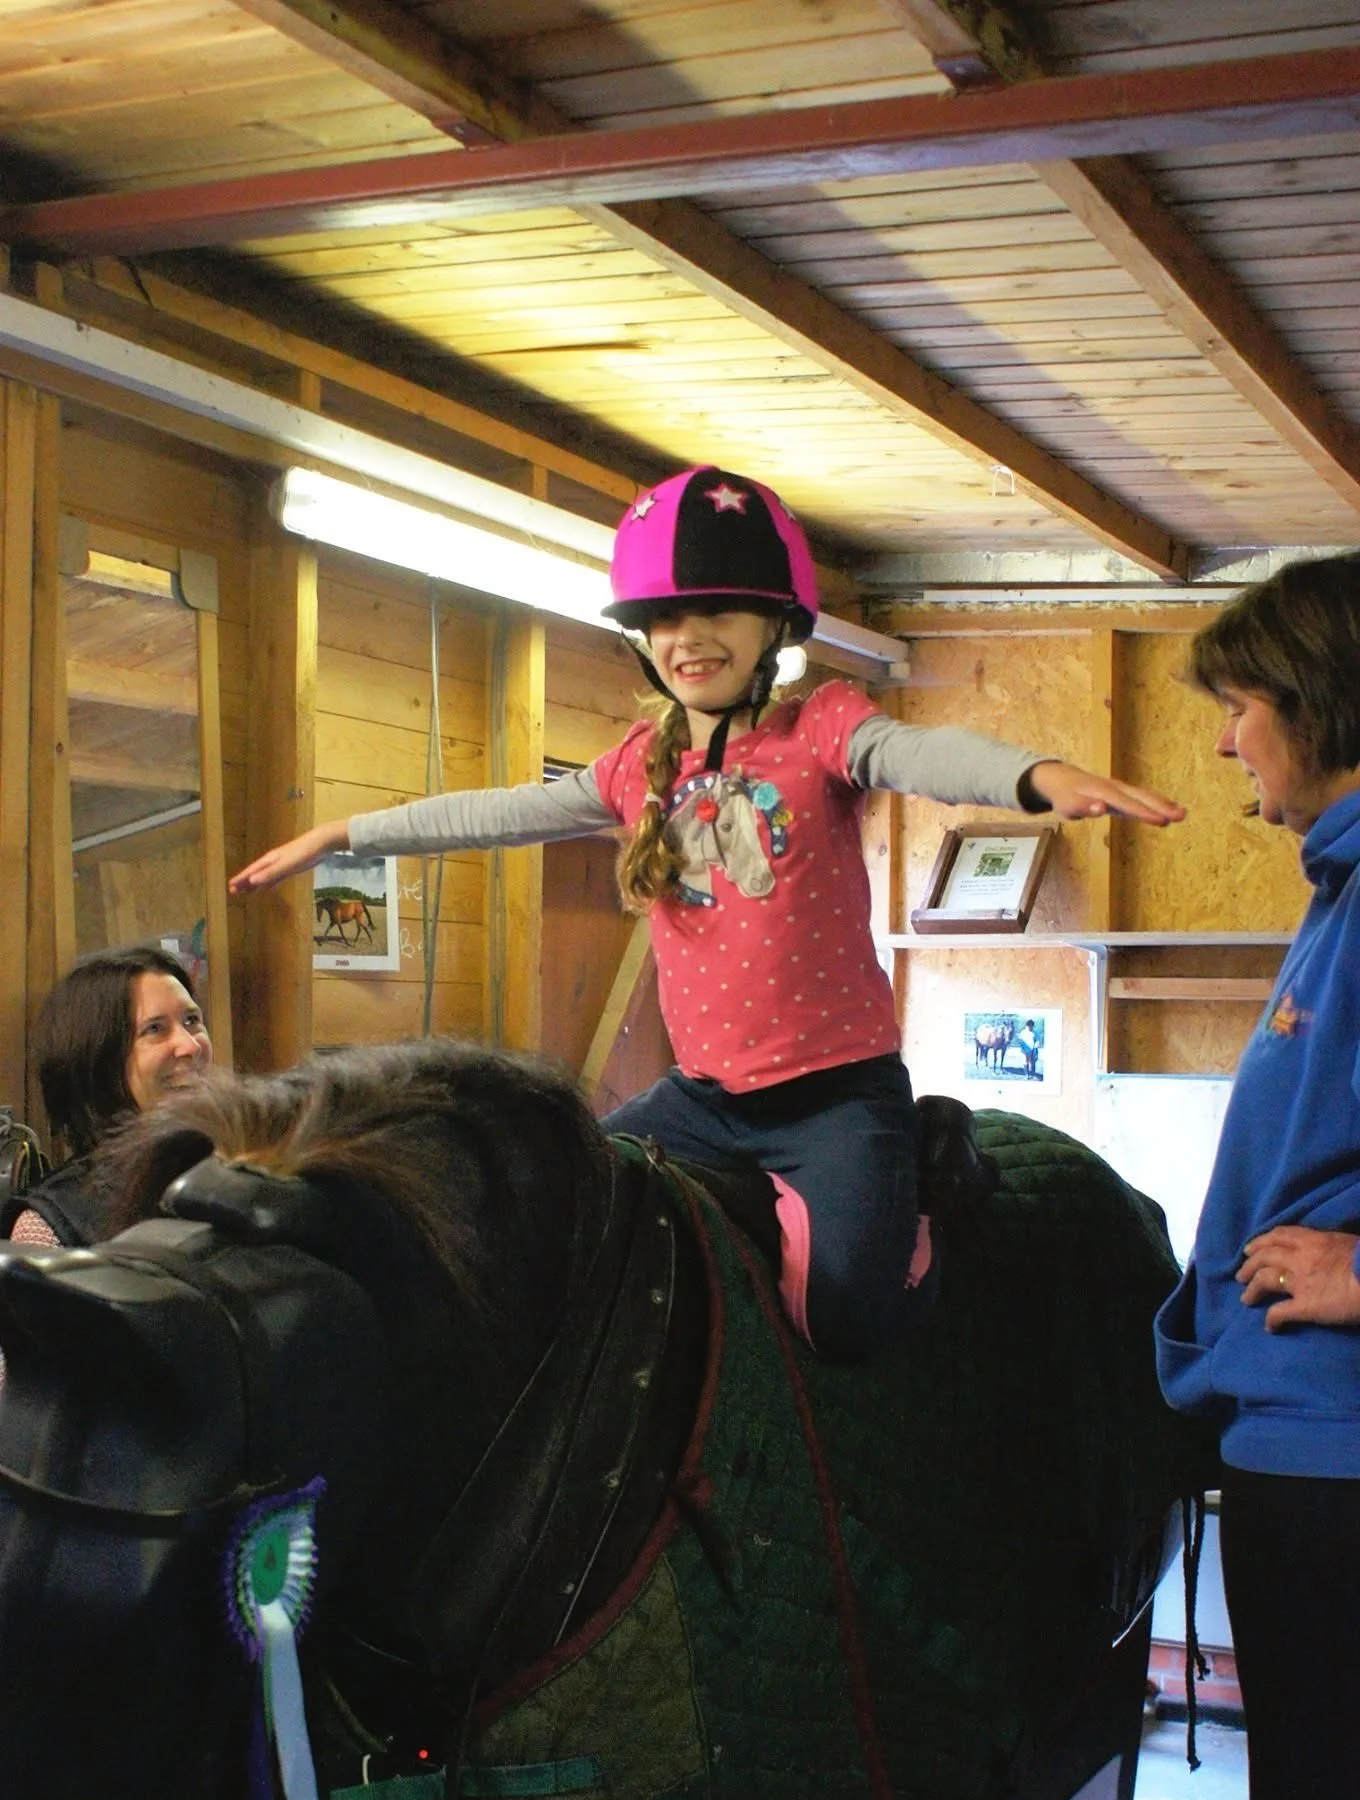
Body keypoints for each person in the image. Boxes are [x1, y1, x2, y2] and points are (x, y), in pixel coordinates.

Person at [231, 465, 1182, 1358]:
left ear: (774, 625)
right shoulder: (634, 769)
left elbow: (916, 753)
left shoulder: (821, 729)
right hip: (702, 1100)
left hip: (833, 1101)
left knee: (848, 1319)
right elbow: (498, 811)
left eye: (719, 611)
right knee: (575, 1219)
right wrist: (344, 834)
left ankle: (921, 1204)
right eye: (666, 618)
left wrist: (1031, 777)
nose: (690, 637)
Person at [1154, 551, 1360, 1800]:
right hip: (1294, 1438)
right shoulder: (1341, 891)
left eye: (1239, 703)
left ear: (1319, 699)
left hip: (1340, 1457)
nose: (1230, 740)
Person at [2, 944, 213, 1247]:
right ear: (98, 1062)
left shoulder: (248, 1172)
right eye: (155, 1029)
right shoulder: (52, 1228)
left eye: (192, 1021)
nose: (191, 1046)